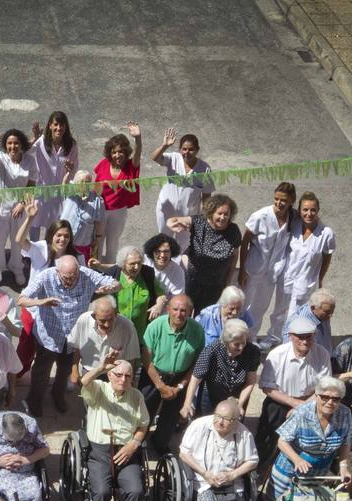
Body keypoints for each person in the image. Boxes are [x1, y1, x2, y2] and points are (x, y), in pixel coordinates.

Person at [20, 255, 118, 416]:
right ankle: (35, 400)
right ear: (58, 272)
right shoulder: (46, 276)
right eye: (66, 277)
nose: (70, 281)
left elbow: (114, 282)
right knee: (41, 372)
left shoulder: (86, 273)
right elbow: (21, 299)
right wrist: (42, 302)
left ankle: (57, 396)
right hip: (49, 336)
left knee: (64, 371)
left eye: (74, 276)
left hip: (72, 337)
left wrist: (111, 287)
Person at [78, 354, 150, 501]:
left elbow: (143, 424)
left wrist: (134, 444)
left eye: (127, 376)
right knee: (101, 491)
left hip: (127, 451)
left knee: (135, 490)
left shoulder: (136, 396)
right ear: (110, 375)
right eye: (118, 374)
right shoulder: (99, 389)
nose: (123, 379)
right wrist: (101, 367)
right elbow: (84, 381)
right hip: (100, 453)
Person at [253, 311, 333, 464]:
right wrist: (295, 404)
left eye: (308, 336)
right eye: (300, 337)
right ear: (290, 336)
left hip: (312, 402)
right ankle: (260, 469)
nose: (305, 341)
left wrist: (303, 407)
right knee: (267, 440)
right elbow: (267, 387)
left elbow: (324, 386)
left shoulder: (322, 354)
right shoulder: (277, 355)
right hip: (280, 403)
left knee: (303, 442)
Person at [177, 398, 258, 501]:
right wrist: (205, 473)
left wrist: (232, 475)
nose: (220, 422)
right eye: (218, 416)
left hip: (231, 483)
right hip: (203, 480)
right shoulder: (199, 425)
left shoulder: (244, 434)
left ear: (235, 420)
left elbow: (253, 460)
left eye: (226, 419)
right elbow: (184, 453)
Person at [268, 376, 352, 501]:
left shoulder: (345, 413)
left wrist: (343, 467)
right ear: (317, 396)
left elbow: (346, 441)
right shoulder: (302, 412)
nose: (330, 402)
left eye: (336, 399)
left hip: (319, 471)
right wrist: (297, 459)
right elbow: (282, 441)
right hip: (291, 469)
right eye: (325, 397)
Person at [138, 294, 204, 452]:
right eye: (175, 309)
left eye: (183, 310)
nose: (179, 314)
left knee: (170, 418)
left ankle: (160, 444)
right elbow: (146, 360)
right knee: (143, 413)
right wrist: (160, 386)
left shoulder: (197, 330)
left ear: (190, 312)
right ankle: (137, 444)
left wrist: (179, 387)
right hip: (153, 375)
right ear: (168, 309)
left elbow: (197, 362)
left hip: (180, 377)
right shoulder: (155, 326)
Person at [166, 193, 242, 312]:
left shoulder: (233, 230)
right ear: (212, 212)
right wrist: (172, 224)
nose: (223, 217)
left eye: (226, 214)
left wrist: (227, 282)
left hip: (215, 285)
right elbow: (173, 220)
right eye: (219, 213)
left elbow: (234, 257)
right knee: (183, 313)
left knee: (204, 317)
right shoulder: (199, 222)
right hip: (192, 281)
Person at [240, 183, 297, 336]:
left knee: (260, 307)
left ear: (292, 200)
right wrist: (242, 270)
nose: (279, 203)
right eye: (276, 199)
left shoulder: (294, 217)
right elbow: (245, 242)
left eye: (283, 200)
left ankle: (251, 337)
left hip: (273, 273)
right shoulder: (260, 216)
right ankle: (236, 336)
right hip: (253, 268)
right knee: (243, 305)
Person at [184, 318, 261, 419]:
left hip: (237, 396)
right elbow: (196, 377)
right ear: (226, 342)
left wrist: (240, 404)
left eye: (243, 342)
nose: (241, 347)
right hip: (211, 395)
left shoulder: (253, 351)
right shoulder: (212, 349)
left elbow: (250, 381)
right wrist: (187, 402)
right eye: (236, 344)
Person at [0, 128, 36, 283]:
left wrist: (22, 204)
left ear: (21, 145)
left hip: (20, 209)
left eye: (16, 143)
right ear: (5, 145)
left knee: (17, 241)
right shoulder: (1, 157)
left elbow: (31, 185)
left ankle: (17, 267)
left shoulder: (30, 161)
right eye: (9, 143)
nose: (12, 146)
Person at [278, 192, 336, 322]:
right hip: (287, 276)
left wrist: (320, 279)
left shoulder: (326, 233)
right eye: (305, 210)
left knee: (295, 315)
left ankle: (292, 340)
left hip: (306, 281)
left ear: (318, 210)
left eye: (313, 210)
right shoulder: (295, 224)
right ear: (299, 210)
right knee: (279, 310)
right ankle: (273, 337)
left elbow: (327, 258)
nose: (309, 214)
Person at [153, 129, 213, 253]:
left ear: (197, 150)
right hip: (165, 210)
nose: (187, 152)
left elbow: (207, 195)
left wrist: (204, 217)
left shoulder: (204, 168)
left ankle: (180, 270)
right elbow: (155, 158)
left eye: (191, 149)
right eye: (184, 149)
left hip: (188, 215)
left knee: (183, 245)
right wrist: (165, 145)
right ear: (180, 149)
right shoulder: (173, 158)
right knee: (164, 242)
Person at [92, 127, 143, 265]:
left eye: (120, 151)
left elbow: (138, 153)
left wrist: (138, 138)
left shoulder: (131, 166)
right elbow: (95, 186)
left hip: (119, 212)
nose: (117, 155)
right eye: (114, 152)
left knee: (112, 243)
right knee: (97, 240)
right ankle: (95, 268)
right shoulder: (103, 164)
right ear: (110, 153)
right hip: (101, 210)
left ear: (126, 152)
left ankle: (110, 270)